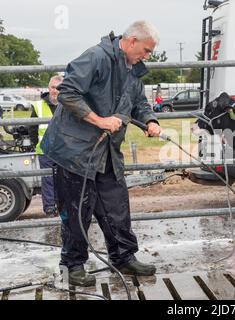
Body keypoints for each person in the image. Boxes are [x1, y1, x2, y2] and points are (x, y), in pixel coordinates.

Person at [41, 20, 162, 287]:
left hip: (106, 150)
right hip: (74, 150)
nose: (147, 56)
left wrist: (150, 120)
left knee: (116, 205)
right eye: (146, 50)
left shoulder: (133, 71)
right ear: (131, 41)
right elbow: (67, 92)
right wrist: (100, 120)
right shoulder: (96, 57)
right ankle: (73, 265)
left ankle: (123, 256)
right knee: (77, 210)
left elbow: (139, 102)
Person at [29, 75, 63, 217]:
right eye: (53, 88)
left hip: (64, 150)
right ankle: (49, 207)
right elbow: (32, 128)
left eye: (59, 88)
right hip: (45, 149)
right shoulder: (38, 106)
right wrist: (34, 144)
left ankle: (63, 205)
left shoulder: (67, 104)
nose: (55, 91)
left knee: (63, 178)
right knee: (48, 179)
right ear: (48, 88)